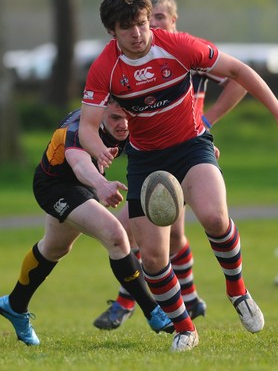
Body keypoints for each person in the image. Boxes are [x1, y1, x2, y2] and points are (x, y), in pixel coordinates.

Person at [78, 0, 278, 352]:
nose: (137, 34)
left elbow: (238, 71)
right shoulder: (106, 66)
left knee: (215, 218)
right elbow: (88, 126)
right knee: (153, 257)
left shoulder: (177, 45)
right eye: (126, 28)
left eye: (141, 24)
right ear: (112, 32)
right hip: (146, 160)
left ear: (149, 19)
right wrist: (100, 150)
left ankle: (238, 291)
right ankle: (185, 328)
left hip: (192, 147)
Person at [93, 0, 247, 331]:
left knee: (153, 233)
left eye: (156, 19)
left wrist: (208, 121)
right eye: (134, 24)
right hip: (152, 155)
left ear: (171, 21)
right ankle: (186, 301)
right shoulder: (125, 62)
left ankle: (133, 302)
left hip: (191, 150)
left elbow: (239, 79)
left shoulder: (186, 51)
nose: (144, 30)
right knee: (157, 238)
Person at [0, 100, 174, 346]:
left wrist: (199, 148)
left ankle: (14, 305)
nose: (123, 124)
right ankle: (154, 312)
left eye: (127, 117)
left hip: (84, 187)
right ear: (100, 113)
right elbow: (80, 164)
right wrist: (102, 185)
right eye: (115, 118)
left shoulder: (128, 122)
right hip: (54, 186)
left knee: (54, 248)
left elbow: (165, 136)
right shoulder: (77, 129)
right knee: (115, 235)